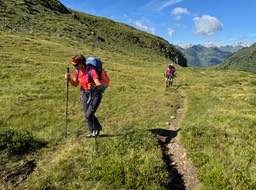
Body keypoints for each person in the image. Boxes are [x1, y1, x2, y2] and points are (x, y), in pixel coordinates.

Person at [65, 54, 102, 138]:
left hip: (95, 94)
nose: (74, 67)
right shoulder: (77, 71)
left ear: (81, 63)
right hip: (85, 93)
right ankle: (92, 131)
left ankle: (97, 128)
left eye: (75, 65)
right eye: (73, 65)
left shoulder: (91, 71)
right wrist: (69, 79)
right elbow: (75, 84)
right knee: (86, 114)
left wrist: (94, 87)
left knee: (89, 114)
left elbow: (99, 84)